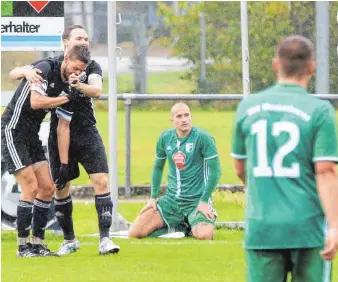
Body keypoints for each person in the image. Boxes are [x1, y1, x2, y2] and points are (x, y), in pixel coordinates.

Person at [231, 35, 338, 282]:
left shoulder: (248, 106)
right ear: (312, 67)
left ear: (275, 64)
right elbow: (326, 172)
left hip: (263, 226)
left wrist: (267, 191)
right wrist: (334, 226)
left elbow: (240, 167)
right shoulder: (319, 110)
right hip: (307, 228)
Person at [10, 25, 120, 255]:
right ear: (65, 45)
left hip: (73, 132)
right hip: (32, 131)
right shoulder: (51, 67)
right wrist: (23, 70)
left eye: (87, 38)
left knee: (61, 185)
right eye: (79, 38)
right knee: (44, 186)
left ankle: (41, 242)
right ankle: (37, 245)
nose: (84, 41)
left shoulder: (84, 69)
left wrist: (77, 86)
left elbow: (97, 91)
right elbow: (38, 103)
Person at [3, 44, 91, 257]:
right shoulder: (46, 68)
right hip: (12, 131)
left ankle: (36, 243)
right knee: (30, 187)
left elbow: (63, 125)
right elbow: (36, 102)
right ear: (67, 59)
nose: (76, 73)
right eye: (75, 68)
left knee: (47, 188)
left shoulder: (70, 82)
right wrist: (67, 97)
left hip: (31, 136)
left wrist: (62, 164)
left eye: (81, 71)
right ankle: (22, 247)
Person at [128, 102, 221, 240]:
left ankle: (193, 224)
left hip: (196, 201)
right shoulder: (165, 138)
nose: (184, 119)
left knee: (204, 235)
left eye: (187, 115)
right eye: (179, 116)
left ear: (191, 117)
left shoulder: (203, 138)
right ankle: (180, 227)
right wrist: (153, 198)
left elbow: (216, 171)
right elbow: (158, 167)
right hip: (171, 201)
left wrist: (204, 200)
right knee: (135, 233)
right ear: (172, 121)